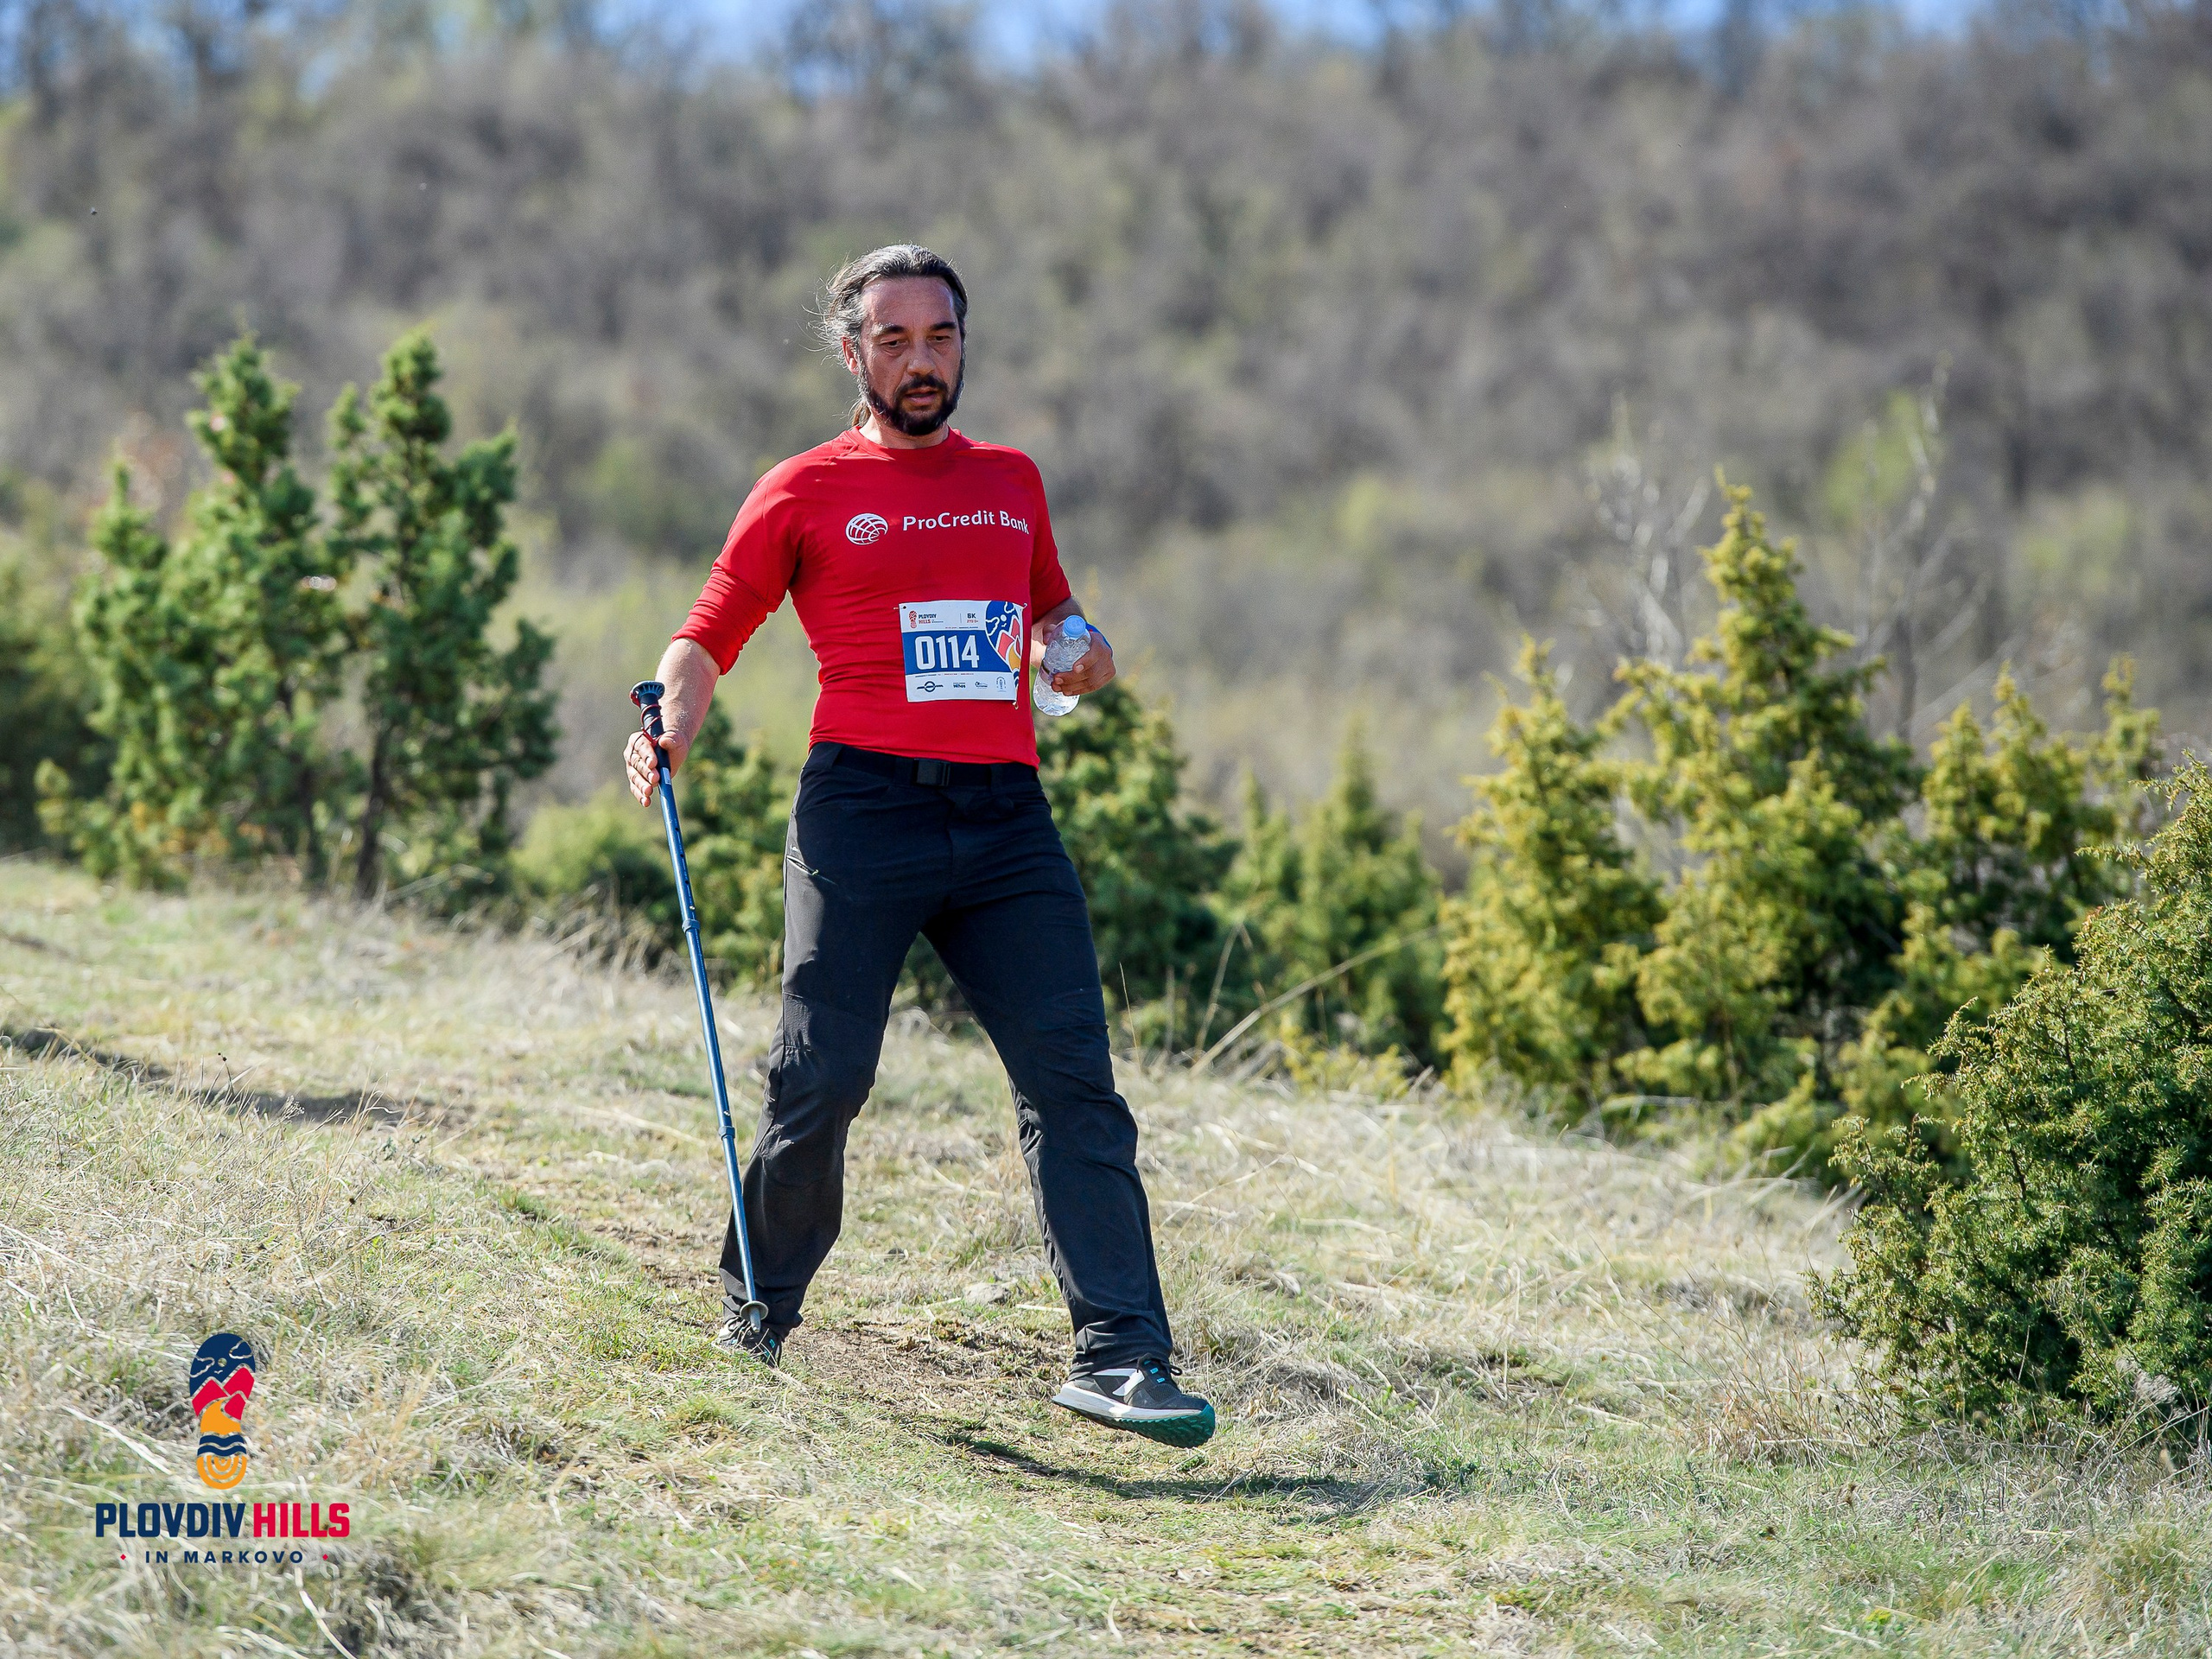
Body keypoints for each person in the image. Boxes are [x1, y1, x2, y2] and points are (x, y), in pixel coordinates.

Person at [625, 245, 1214, 1447]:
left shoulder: (1011, 481)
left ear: (962, 343)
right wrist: (671, 724)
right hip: (863, 813)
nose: (920, 361)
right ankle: (759, 1306)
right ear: (853, 354)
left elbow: (1055, 615)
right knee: (822, 1079)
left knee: (1074, 1086)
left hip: (1005, 819)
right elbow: (705, 635)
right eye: (892, 341)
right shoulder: (801, 489)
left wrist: (1085, 652)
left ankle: (1124, 1358)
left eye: (939, 337)